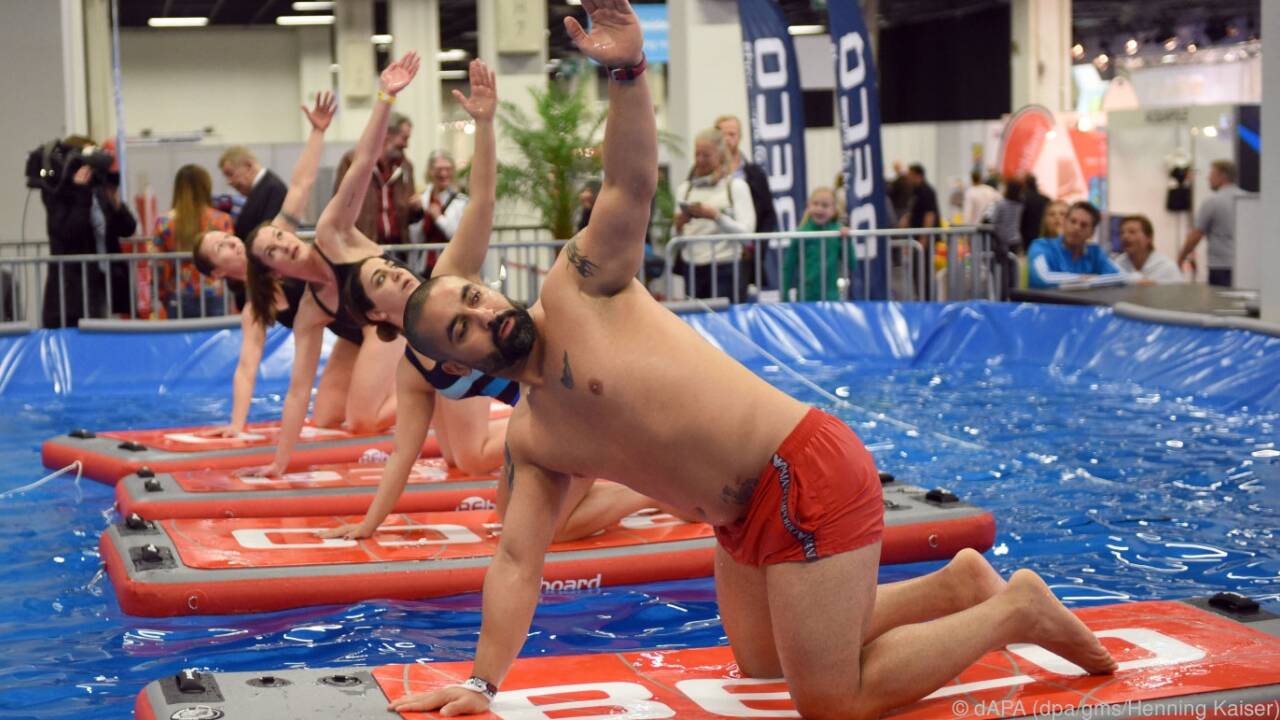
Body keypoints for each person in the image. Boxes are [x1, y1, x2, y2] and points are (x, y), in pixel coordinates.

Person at [389, 2, 1116, 715]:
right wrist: (482, 684)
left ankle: (1014, 608)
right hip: (737, 522)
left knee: (829, 701)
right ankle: (957, 587)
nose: (484, 315)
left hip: (802, 471)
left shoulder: (579, 286)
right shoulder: (534, 440)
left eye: (475, 297)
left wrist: (630, 71)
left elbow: (627, 184)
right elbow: (518, 563)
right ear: (455, 366)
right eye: (462, 329)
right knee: (762, 662)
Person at [320, 60, 661, 544]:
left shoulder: (450, 276)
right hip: (545, 417)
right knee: (511, 515)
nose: (395, 270)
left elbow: (481, 201)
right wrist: (367, 527)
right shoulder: (413, 370)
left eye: (389, 265)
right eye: (381, 277)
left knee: (540, 526)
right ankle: (651, 489)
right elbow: (402, 455)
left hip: (576, 399)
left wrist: (483, 124)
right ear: (375, 311)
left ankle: (653, 485)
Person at [236, 54, 420, 474]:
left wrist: (385, 98)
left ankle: (432, 385)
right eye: (273, 252)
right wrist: (279, 464)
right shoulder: (310, 311)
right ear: (274, 272)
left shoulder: (331, 231)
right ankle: (416, 382)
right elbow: (297, 392)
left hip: (399, 321)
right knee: (325, 417)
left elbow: (363, 162)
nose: (284, 246)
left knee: (362, 420)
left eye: (280, 236)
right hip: (362, 332)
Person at [191, 93, 345, 438]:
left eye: (225, 236)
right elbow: (247, 367)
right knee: (328, 416)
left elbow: (301, 186)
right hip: (350, 333)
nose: (231, 241)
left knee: (364, 413)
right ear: (217, 272)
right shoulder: (255, 307)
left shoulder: (272, 239)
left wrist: (317, 132)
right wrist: (237, 424)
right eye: (220, 247)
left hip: (370, 315)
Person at [41, 137, 136, 329]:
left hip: (103, 282)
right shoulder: (57, 193)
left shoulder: (98, 189)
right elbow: (70, 232)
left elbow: (128, 228)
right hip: (72, 291)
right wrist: (79, 192)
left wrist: (114, 199)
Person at [672, 127, 755, 300]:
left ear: (720, 156)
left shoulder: (736, 187)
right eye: (697, 154)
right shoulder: (684, 190)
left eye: (706, 155)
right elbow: (675, 240)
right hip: (692, 269)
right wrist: (679, 225)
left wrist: (716, 216)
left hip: (727, 267)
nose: (700, 160)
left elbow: (747, 236)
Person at [153, 164, 234, 318]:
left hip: (178, 294)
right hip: (215, 292)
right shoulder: (222, 220)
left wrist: (162, 294)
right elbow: (230, 260)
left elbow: (159, 265)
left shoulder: (163, 222)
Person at [334, 111, 422, 249]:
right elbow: (339, 205)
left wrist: (417, 209)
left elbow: (409, 218)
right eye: (404, 138)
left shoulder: (406, 167)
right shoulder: (353, 161)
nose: (406, 145)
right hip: (363, 247)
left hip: (399, 249)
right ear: (386, 134)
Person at [715, 114, 779, 288]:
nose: (727, 139)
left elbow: (768, 215)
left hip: (745, 254)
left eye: (731, 134)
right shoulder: (703, 172)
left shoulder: (755, 173)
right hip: (713, 254)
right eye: (722, 134)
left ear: (740, 137)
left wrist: (757, 248)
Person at [1027, 201, 1133, 289]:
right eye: (1073, 222)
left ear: (1092, 233)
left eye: (1084, 225)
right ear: (1064, 223)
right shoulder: (1041, 246)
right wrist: (1080, 279)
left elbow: (1121, 277)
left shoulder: (1095, 253)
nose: (1077, 228)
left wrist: (1091, 280)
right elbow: (1042, 278)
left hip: (1084, 306)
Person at [1176, 159, 1244, 287]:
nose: (1208, 178)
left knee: (1221, 300)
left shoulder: (1212, 201)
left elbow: (1196, 235)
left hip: (1221, 267)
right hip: (1246, 266)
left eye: (1212, 174)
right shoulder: (1246, 200)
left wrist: (1180, 258)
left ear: (1222, 176)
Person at [781, 187, 848, 302]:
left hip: (832, 298)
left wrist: (847, 240)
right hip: (806, 298)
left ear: (834, 210)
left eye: (825, 205)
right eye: (815, 204)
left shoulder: (837, 232)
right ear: (808, 206)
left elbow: (851, 262)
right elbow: (788, 267)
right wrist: (784, 296)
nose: (819, 209)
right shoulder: (800, 234)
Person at [412, 149, 469, 274]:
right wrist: (416, 215)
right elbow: (414, 238)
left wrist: (439, 218)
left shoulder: (461, 202)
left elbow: (458, 237)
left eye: (448, 169)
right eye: (438, 170)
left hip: (450, 266)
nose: (443, 174)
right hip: (423, 266)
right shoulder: (421, 199)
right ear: (430, 171)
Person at [219, 146, 288, 244]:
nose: (229, 182)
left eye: (230, 174)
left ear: (249, 166)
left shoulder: (273, 189)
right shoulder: (262, 189)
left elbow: (269, 233)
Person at [1115, 214, 1182, 284]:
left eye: (1132, 232)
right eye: (1121, 233)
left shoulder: (1167, 267)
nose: (1125, 236)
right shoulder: (1117, 265)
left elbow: (1177, 290)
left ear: (1149, 237)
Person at [1019, 174, 1049, 249]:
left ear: (1025, 184)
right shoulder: (1045, 199)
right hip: (1041, 233)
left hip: (1026, 235)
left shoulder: (1022, 199)